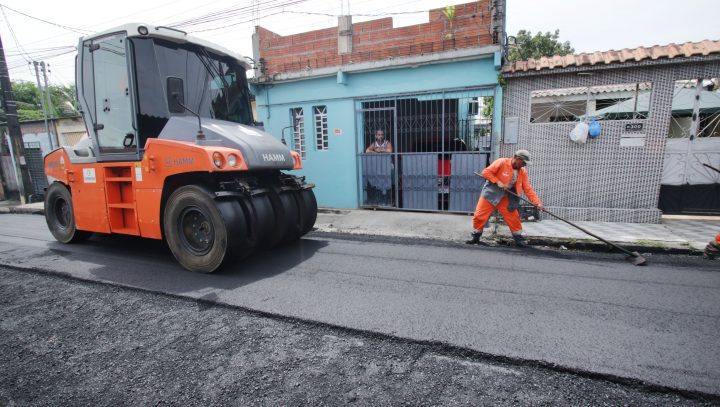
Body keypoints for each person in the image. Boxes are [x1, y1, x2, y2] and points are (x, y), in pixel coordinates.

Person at [465, 149, 544, 247]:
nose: (524, 165)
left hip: (506, 196)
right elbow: (486, 172)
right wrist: (497, 181)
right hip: (491, 194)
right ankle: (475, 237)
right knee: (479, 215)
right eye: (523, 162)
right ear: (517, 159)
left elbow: (528, 189)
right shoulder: (502, 162)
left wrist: (537, 203)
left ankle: (519, 239)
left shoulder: (522, 172)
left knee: (513, 217)